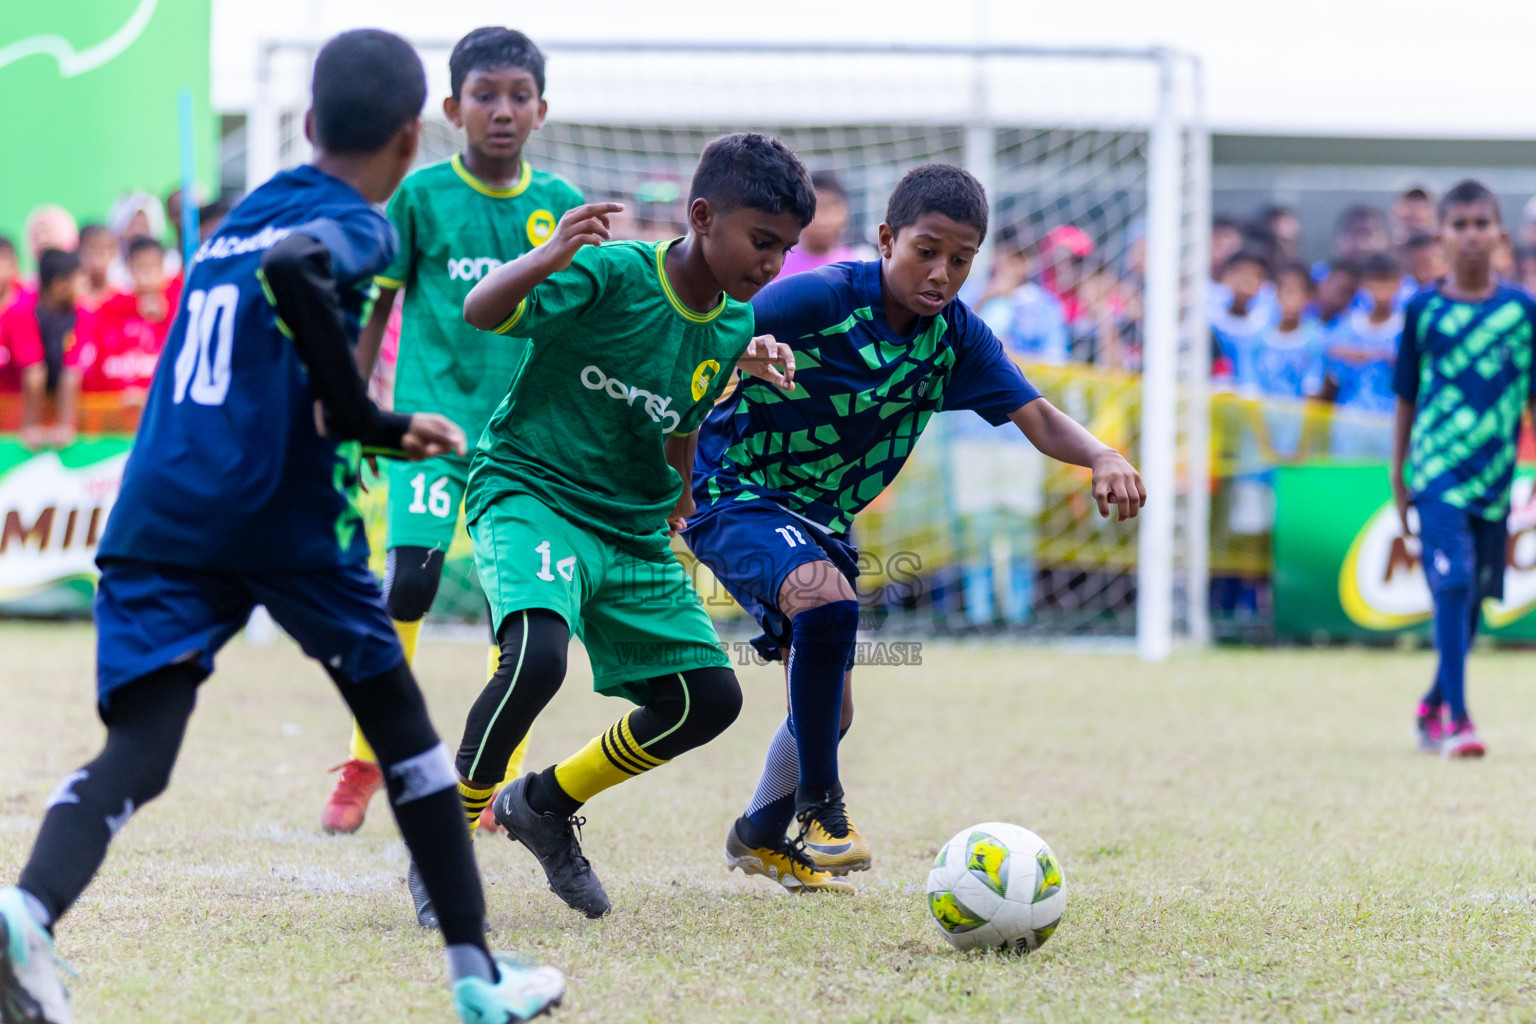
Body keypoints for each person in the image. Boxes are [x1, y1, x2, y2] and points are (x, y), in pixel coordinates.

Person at [0, 30, 568, 1024]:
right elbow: (307, 266)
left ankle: (26, 909)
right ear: (410, 137)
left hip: (161, 506)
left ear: (307, 126)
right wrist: (370, 420)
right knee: (405, 733)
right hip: (278, 508)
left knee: (141, 743)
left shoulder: (240, 213)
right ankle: (479, 975)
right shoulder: (356, 223)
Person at [680, 164, 1145, 893]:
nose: (942, 273)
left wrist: (1102, 454)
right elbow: (697, 335)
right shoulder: (818, 298)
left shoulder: (955, 338)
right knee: (826, 602)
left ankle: (758, 832)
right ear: (888, 237)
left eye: (961, 260)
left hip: (823, 517)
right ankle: (821, 810)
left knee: (831, 711)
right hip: (734, 490)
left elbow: (1038, 416)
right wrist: (735, 358)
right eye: (926, 250)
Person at [448, 132, 813, 921]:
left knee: (707, 698)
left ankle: (540, 805)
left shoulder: (731, 325)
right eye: (760, 241)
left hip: (629, 528)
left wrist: (679, 500)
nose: (770, 264)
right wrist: (547, 256)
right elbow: (480, 310)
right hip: (531, 489)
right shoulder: (613, 271)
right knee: (536, 658)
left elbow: (683, 412)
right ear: (703, 215)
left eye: (784, 249)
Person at [319, 26, 585, 850]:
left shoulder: (563, 205)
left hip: (526, 445)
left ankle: (501, 769)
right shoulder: (421, 196)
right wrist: (356, 408)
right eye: (484, 96)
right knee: (409, 586)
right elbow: (377, 306)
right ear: (450, 108)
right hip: (430, 425)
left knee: (527, 615)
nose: (500, 112)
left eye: (517, 97)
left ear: (541, 110)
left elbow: (580, 324)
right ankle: (369, 758)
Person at [1392, 181, 1536, 760]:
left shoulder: (1522, 313)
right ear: (1441, 236)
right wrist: (1398, 471)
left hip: (1496, 473)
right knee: (1451, 580)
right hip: (1436, 467)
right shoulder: (1423, 310)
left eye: (1482, 224)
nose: (1471, 234)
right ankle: (1458, 719)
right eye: (1460, 224)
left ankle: (1431, 703)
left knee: (1475, 597)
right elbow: (1405, 395)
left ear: (1500, 237)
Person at [77, 237, 180, 404]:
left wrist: (166, 317)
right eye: (141, 267)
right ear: (130, 269)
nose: (147, 274)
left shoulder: (177, 312)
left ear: (163, 269)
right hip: (113, 411)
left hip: (159, 409)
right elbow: (96, 364)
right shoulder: (110, 310)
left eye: (153, 267)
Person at [2, 248, 86, 449]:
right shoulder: (21, 312)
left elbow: (71, 373)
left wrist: (66, 426)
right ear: (59, 286)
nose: (83, 286)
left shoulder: (82, 314)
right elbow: (33, 373)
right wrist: (30, 426)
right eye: (78, 280)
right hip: (11, 413)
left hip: (62, 409)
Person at [962, 224, 1069, 363]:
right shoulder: (971, 291)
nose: (1010, 265)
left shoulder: (1045, 306)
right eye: (1005, 256)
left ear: (1031, 262)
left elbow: (1056, 357)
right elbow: (953, 335)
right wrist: (986, 297)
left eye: (1018, 258)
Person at [1322, 252, 1403, 417]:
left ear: (1398, 284)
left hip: (1388, 420)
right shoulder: (1348, 325)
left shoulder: (1404, 327)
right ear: (1365, 285)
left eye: (1386, 282)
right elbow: (1330, 360)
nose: (1381, 289)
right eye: (1375, 282)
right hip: (1349, 417)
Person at [779, 170, 861, 277]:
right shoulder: (778, 264)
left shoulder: (856, 266)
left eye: (830, 208)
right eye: (814, 209)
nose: (821, 221)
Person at [1210, 251, 1271, 385]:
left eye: (1254, 276)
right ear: (1226, 276)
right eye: (1240, 274)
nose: (1246, 283)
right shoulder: (1211, 323)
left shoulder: (1267, 327)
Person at [76, 224, 118, 310]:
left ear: (113, 253)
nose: (97, 259)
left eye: (102, 251)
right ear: (80, 251)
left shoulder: (121, 297)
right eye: (92, 249)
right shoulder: (73, 297)